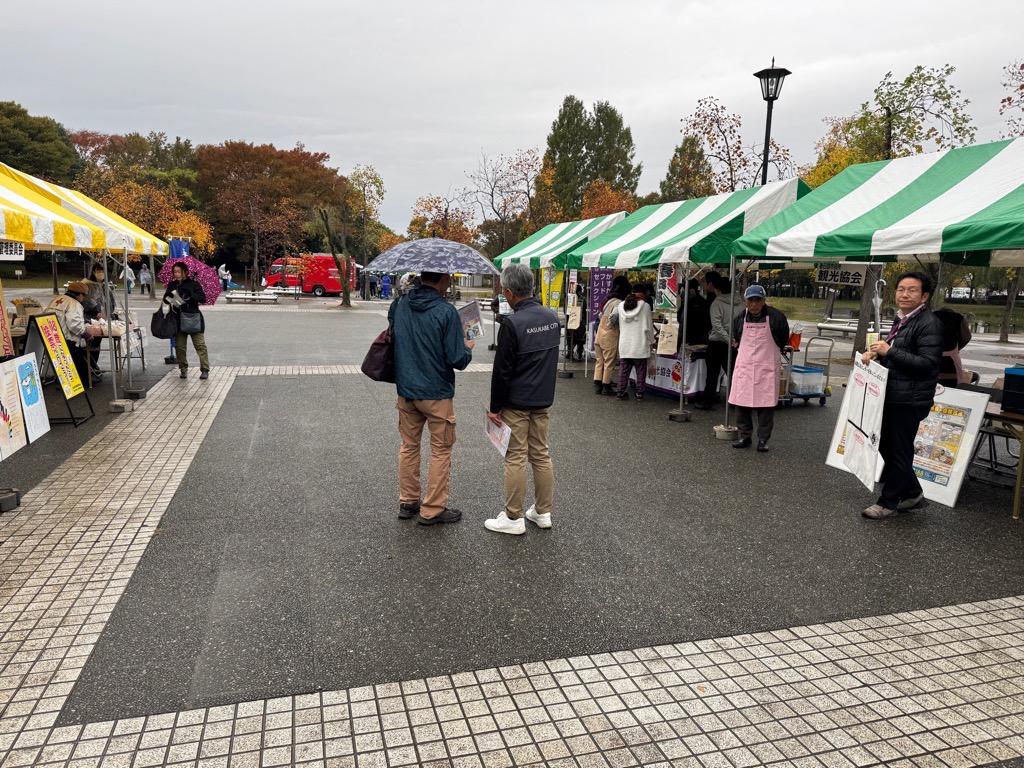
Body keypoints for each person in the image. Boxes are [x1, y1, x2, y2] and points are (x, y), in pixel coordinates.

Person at [389, 271, 474, 525]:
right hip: (437, 392)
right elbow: (457, 359)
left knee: (409, 445)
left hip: (406, 388)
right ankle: (433, 508)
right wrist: (467, 349)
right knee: (441, 450)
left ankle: (408, 500)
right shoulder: (446, 312)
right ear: (443, 279)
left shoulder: (400, 304)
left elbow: (393, 331)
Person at [484, 263, 560, 535]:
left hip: (516, 401)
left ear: (509, 292)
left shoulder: (512, 324)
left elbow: (502, 371)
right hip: (543, 398)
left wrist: (495, 408)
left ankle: (513, 517)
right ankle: (542, 511)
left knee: (515, 456)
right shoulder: (552, 317)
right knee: (540, 453)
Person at [860, 272, 944, 520]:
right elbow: (900, 355)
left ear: (924, 296)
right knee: (887, 446)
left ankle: (888, 502)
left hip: (910, 400)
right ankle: (913, 493)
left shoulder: (928, 323)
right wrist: (877, 354)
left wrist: (890, 351)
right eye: (900, 289)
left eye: (912, 290)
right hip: (894, 394)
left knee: (898, 451)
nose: (904, 294)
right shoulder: (903, 319)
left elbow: (927, 363)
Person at [729, 284, 789, 452]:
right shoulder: (740, 318)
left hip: (766, 367)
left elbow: (783, 338)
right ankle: (744, 436)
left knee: (766, 405)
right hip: (745, 367)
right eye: (751, 300)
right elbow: (736, 338)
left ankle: (763, 439)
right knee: (741, 404)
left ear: (764, 300)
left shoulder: (777, 317)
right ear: (745, 302)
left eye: (758, 300)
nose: (754, 304)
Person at [163, 262, 211, 380]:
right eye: (175, 272)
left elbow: (203, 298)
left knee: (200, 345)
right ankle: (183, 368)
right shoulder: (172, 284)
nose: (177, 274)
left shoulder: (194, 284)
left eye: (179, 272)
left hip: (193, 319)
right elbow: (167, 300)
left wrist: (191, 294)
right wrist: (168, 296)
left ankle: (205, 369)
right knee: (179, 347)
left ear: (185, 272)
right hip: (178, 320)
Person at [45, 282, 99, 384]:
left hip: (52, 336)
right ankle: (85, 380)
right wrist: (84, 333)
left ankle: (64, 381)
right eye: (84, 295)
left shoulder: (56, 299)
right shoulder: (74, 304)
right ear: (80, 294)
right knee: (78, 358)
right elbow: (74, 324)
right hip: (67, 338)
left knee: (68, 360)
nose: (83, 298)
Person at [695, 272, 730, 410]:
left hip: (716, 342)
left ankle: (707, 401)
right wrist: (732, 339)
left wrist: (726, 338)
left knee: (712, 373)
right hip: (731, 342)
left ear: (718, 288)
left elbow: (716, 325)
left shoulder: (716, 303)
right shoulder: (739, 303)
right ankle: (736, 400)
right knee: (732, 372)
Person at [615, 285, 655, 400]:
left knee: (624, 369)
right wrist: (651, 341)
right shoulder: (645, 306)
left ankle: (620, 391)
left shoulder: (621, 306)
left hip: (625, 342)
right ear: (643, 294)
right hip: (639, 343)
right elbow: (649, 327)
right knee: (640, 370)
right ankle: (639, 393)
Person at [593, 276, 631, 396]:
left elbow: (600, 315)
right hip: (609, 334)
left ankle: (598, 384)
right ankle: (606, 386)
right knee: (609, 361)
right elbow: (614, 317)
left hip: (600, 332)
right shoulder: (618, 302)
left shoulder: (608, 299)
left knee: (600, 360)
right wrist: (611, 324)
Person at [933, 307, 972, 387]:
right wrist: (958, 348)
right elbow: (966, 338)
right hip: (951, 360)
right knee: (953, 386)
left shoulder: (929, 317)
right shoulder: (958, 318)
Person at [678, 278, 710, 345]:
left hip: (692, 335)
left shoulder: (689, 302)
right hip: (696, 335)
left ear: (691, 290)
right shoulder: (702, 301)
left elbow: (679, 317)